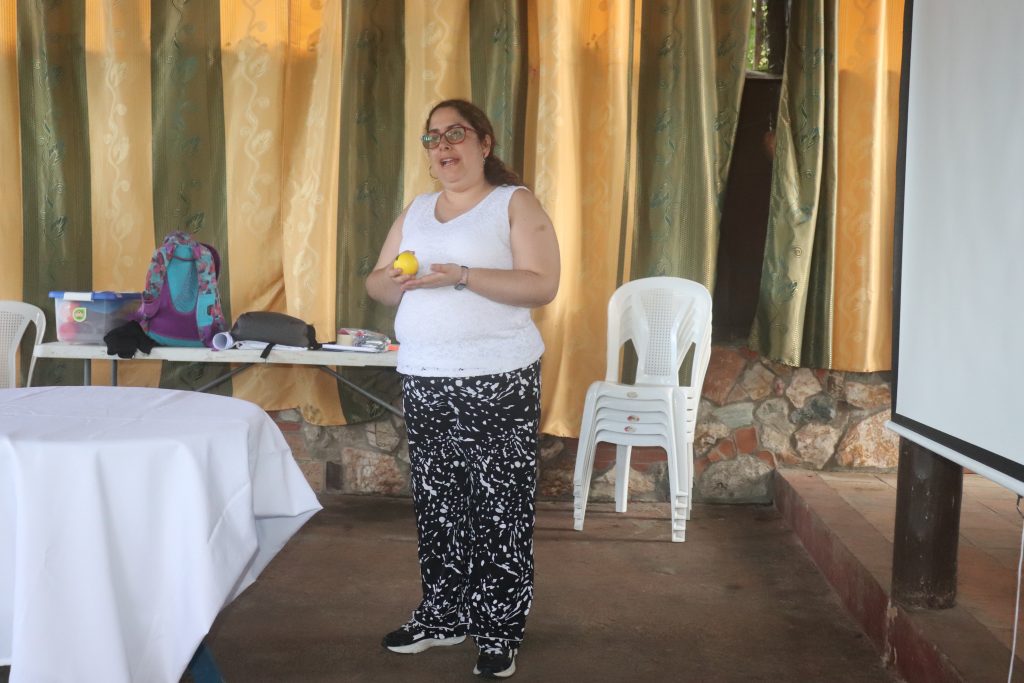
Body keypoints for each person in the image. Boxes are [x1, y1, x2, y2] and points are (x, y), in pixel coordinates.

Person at [366, 99, 560, 679]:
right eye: (433, 138)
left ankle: (498, 629)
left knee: (499, 508)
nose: (444, 146)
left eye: (456, 133)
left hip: (498, 378)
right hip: (425, 377)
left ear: (483, 143)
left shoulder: (513, 203)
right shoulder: (417, 211)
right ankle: (443, 616)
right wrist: (393, 279)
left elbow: (543, 284)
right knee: (439, 505)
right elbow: (377, 285)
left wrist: (464, 277)